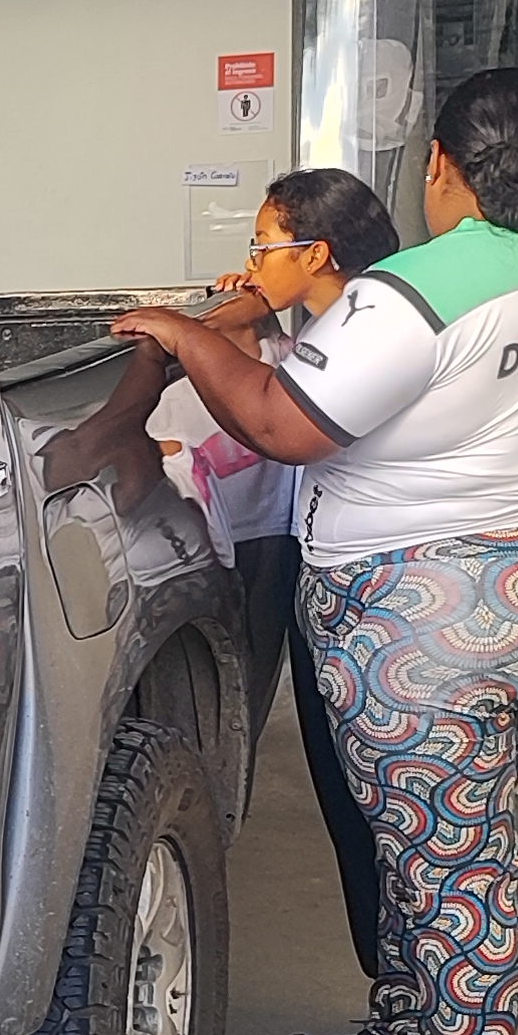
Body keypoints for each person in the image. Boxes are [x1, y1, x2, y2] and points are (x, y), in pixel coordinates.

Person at [113, 69, 518, 1035]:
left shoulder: (410, 293)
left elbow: (279, 423)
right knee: (433, 843)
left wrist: (183, 334)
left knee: (455, 867)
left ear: (440, 165)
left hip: (429, 628)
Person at [146, 169, 404, 993]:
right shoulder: (346, 323)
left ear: (316, 254)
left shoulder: (362, 336)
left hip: (371, 593)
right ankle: (400, 991)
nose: (252, 262)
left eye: (265, 246)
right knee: (358, 799)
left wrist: (189, 332)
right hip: (342, 578)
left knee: (371, 804)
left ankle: (409, 1001)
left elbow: (271, 421)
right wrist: (251, 313)